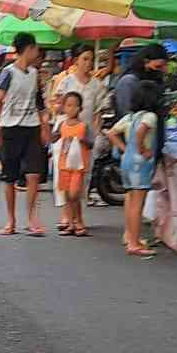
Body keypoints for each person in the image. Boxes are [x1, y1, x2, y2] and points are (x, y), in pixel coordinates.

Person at [0, 31, 50, 236]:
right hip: (10, 129)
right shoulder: (8, 73)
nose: (38, 51)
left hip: (31, 128)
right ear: (29, 49)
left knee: (34, 173)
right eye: (36, 48)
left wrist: (44, 127)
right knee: (10, 177)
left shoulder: (34, 73)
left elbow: (39, 103)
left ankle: (32, 218)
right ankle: (11, 220)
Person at [52, 43, 108, 222]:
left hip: (86, 137)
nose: (88, 63)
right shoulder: (66, 82)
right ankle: (65, 214)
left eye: (91, 59)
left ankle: (78, 216)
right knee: (64, 174)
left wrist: (96, 135)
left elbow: (98, 113)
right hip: (67, 136)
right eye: (85, 59)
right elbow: (57, 106)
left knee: (83, 175)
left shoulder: (97, 85)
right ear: (76, 61)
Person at [107, 80, 162, 256]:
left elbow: (111, 133)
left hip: (127, 161)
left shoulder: (130, 117)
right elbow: (141, 132)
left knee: (130, 200)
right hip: (141, 163)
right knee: (138, 204)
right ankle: (134, 243)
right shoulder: (150, 117)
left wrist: (126, 149)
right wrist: (142, 149)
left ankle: (132, 238)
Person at [54, 90, 92, 237]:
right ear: (64, 107)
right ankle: (71, 223)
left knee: (75, 194)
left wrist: (83, 141)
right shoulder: (62, 124)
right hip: (64, 165)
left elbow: (91, 144)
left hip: (78, 166)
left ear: (80, 108)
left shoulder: (83, 126)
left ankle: (79, 221)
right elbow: (53, 138)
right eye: (68, 105)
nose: (71, 109)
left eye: (75, 106)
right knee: (67, 195)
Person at [114, 43, 169, 118]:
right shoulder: (129, 81)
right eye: (158, 67)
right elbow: (125, 115)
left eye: (165, 66)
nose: (164, 70)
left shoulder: (156, 78)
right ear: (145, 62)